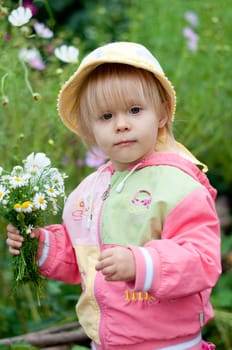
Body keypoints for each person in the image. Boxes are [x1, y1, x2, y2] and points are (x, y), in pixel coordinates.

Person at [6, 42, 221, 350]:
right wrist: (39, 244)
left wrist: (141, 264)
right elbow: (82, 258)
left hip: (168, 342)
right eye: (106, 116)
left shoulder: (179, 186)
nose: (121, 124)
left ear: (161, 114)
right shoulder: (89, 191)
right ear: (90, 130)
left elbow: (203, 260)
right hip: (107, 341)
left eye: (135, 110)